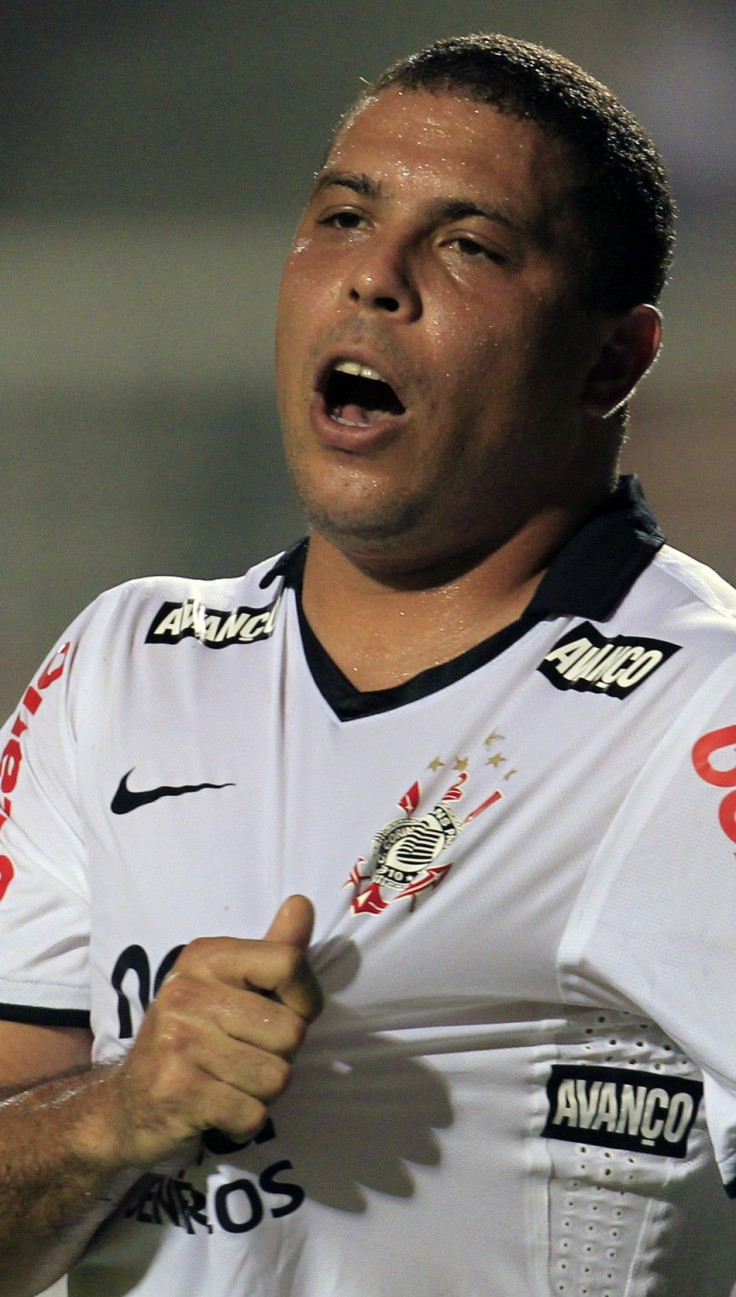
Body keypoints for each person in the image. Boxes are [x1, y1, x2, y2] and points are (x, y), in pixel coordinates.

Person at [0, 31, 735, 1297]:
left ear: (612, 360)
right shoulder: (123, 664)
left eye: (468, 245)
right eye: (342, 216)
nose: (372, 279)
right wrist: (122, 1108)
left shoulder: (696, 711)